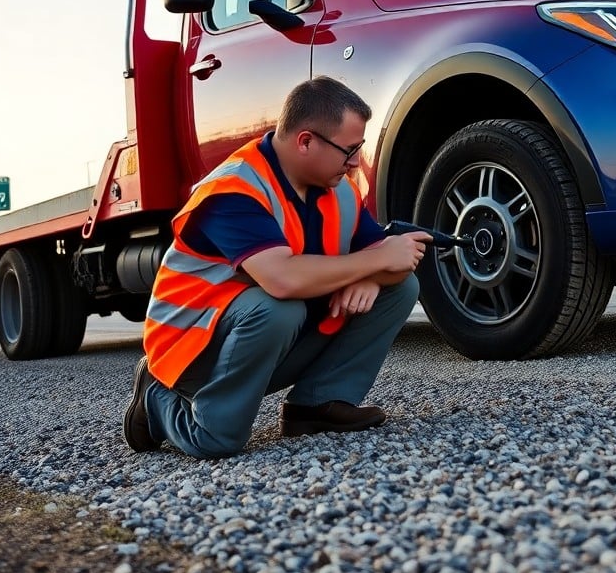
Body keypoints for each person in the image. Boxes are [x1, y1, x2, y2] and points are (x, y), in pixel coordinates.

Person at [123, 76, 430, 458]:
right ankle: (156, 399)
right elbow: (281, 279)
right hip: (189, 353)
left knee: (399, 288)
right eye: (349, 150)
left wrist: (373, 273)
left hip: (259, 342)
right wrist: (374, 262)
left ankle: (317, 406)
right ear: (305, 141)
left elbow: (396, 259)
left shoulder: (339, 189)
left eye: (359, 148)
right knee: (276, 311)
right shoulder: (233, 189)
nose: (355, 161)